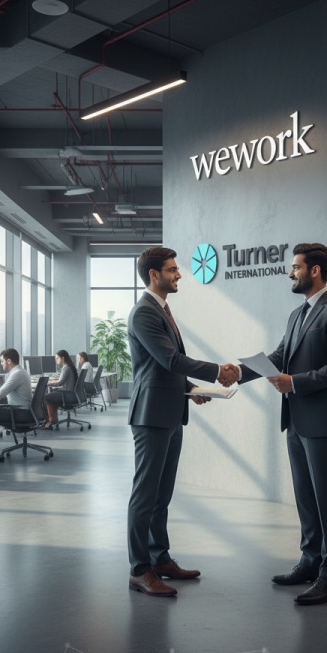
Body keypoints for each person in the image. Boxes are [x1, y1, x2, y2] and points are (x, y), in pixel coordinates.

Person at [238, 243, 327, 605]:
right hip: (297, 421)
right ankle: (310, 561)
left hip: (322, 421)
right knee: (305, 498)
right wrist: (235, 374)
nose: (290, 273)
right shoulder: (296, 314)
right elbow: (279, 356)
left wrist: (296, 382)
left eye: (296, 267)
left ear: (315, 271)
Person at [126, 246, 239, 598]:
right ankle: (139, 570)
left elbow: (164, 366)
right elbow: (170, 358)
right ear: (153, 275)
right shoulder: (144, 312)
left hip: (171, 410)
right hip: (151, 415)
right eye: (172, 270)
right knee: (145, 496)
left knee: (162, 495)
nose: (178, 275)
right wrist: (217, 371)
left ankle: (160, 559)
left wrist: (190, 389)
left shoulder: (161, 309)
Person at [43, 350, 78, 427]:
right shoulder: (69, 367)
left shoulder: (66, 368)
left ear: (63, 358)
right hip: (70, 394)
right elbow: (62, 380)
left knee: (45, 397)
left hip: (67, 395)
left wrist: (46, 383)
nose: (56, 360)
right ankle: (53, 419)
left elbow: (60, 383)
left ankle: (49, 421)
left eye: (57, 358)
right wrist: (53, 380)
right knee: (51, 397)